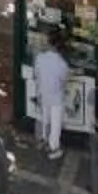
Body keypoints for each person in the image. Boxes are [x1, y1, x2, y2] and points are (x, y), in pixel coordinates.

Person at [26, 30, 70, 160]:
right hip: (56, 97)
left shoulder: (39, 58)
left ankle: (43, 140)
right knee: (55, 124)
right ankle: (53, 148)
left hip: (42, 94)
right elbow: (64, 81)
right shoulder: (62, 64)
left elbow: (36, 75)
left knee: (44, 119)